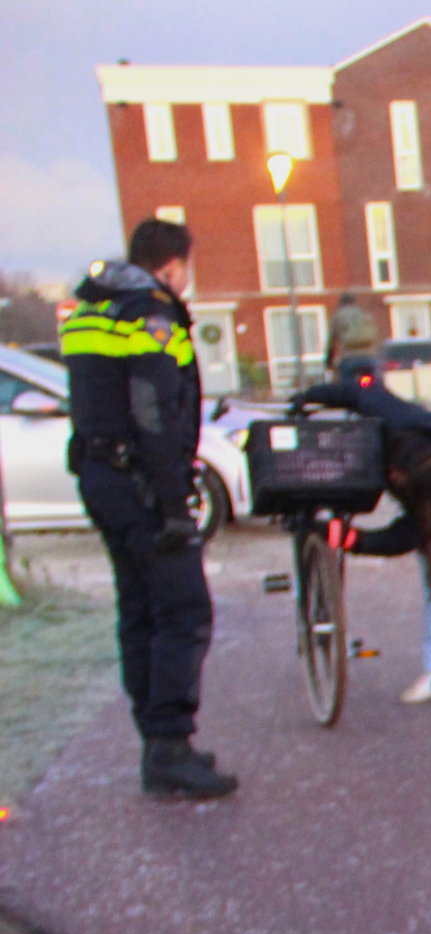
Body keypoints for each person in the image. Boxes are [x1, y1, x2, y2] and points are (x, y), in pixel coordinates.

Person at [61, 219, 236, 799]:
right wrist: (173, 505)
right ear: (171, 265)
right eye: (187, 267)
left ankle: (153, 742)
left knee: (138, 609)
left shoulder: (92, 309)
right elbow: (156, 410)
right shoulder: (150, 314)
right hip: (141, 484)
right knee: (185, 612)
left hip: (99, 475)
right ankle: (169, 747)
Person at [292, 366, 431, 711]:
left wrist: (353, 540)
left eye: (396, 478)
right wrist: (308, 397)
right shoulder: (393, 417)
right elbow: (358, 391)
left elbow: (401, 537)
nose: (391, 476)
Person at [326, 290, 381, 372]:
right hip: (370, 356)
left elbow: (331, 341)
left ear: (341, 302)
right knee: (377, 380)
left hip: (349, 357)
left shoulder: (338, 316)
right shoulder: (365, 314)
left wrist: (329, 362)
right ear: (354, 301)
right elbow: (377, 337)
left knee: (346, 382)